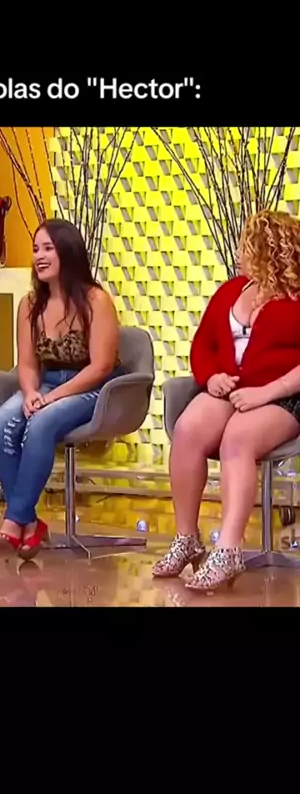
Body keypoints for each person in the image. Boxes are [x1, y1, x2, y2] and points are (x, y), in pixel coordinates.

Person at [152, 209, 300, 592]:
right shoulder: (231, 291)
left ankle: (229, 549)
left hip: (285, 394)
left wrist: (267, 392)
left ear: (268, 249)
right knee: (187, 430)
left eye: (245, 245)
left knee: (237, 438)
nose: (238, 253)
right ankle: (187, 538)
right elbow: (203, 344)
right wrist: (211, 377)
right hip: (232, 389)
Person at [0, 218, 124, 561]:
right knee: (0, 424)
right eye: (36, 249)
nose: (39, 256)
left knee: (42, 422)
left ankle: (15, 519)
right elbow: (27, 363)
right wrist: (31, 392)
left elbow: (101, 366)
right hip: (46, 384)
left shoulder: (96, 300)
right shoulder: (30, 304)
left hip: (92, 388)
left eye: (48, 248)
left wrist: (51, 399)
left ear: (68, 251)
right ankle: (30, 523)